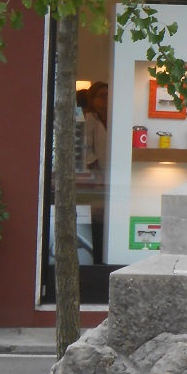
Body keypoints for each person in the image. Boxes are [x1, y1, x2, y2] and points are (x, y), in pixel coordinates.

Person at [83, 81, 109, 263]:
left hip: (110, 174)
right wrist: (97, 172)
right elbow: (86, 149)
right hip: (96, 177)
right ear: (93, 100)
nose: (106, 99)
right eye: (102, 96)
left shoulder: (114, 117)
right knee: (97, 218)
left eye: (109, 95)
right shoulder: (90, 118)